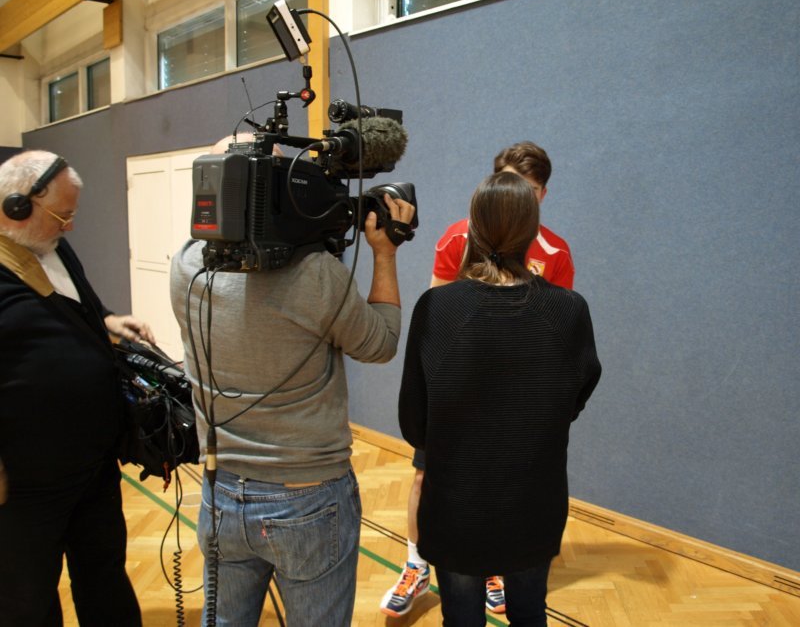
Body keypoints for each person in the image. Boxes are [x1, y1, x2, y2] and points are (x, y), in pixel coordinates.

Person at [169, 148, 416, 625]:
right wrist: (385, 253)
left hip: (220, 491)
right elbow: (380, 343)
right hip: (306, 498)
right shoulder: (315, 275)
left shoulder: (185, 264)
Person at [397, 171, 601, 626]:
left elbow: (414, 423)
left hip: (455, 505)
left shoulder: (437, 308)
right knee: (530, 612)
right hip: (534, 500)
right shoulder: (569, 311)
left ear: (472, 229)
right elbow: (577, 393)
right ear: (532, 232)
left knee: (461, 617)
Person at [0, 150, 154, 626]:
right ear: (17, 205)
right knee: (27, 598)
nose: (69, 226)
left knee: (104, 573)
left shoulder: (53, 246)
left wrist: (107, 321)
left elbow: (75, 307)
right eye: (61, 215)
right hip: (26, 480)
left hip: (93, 463)